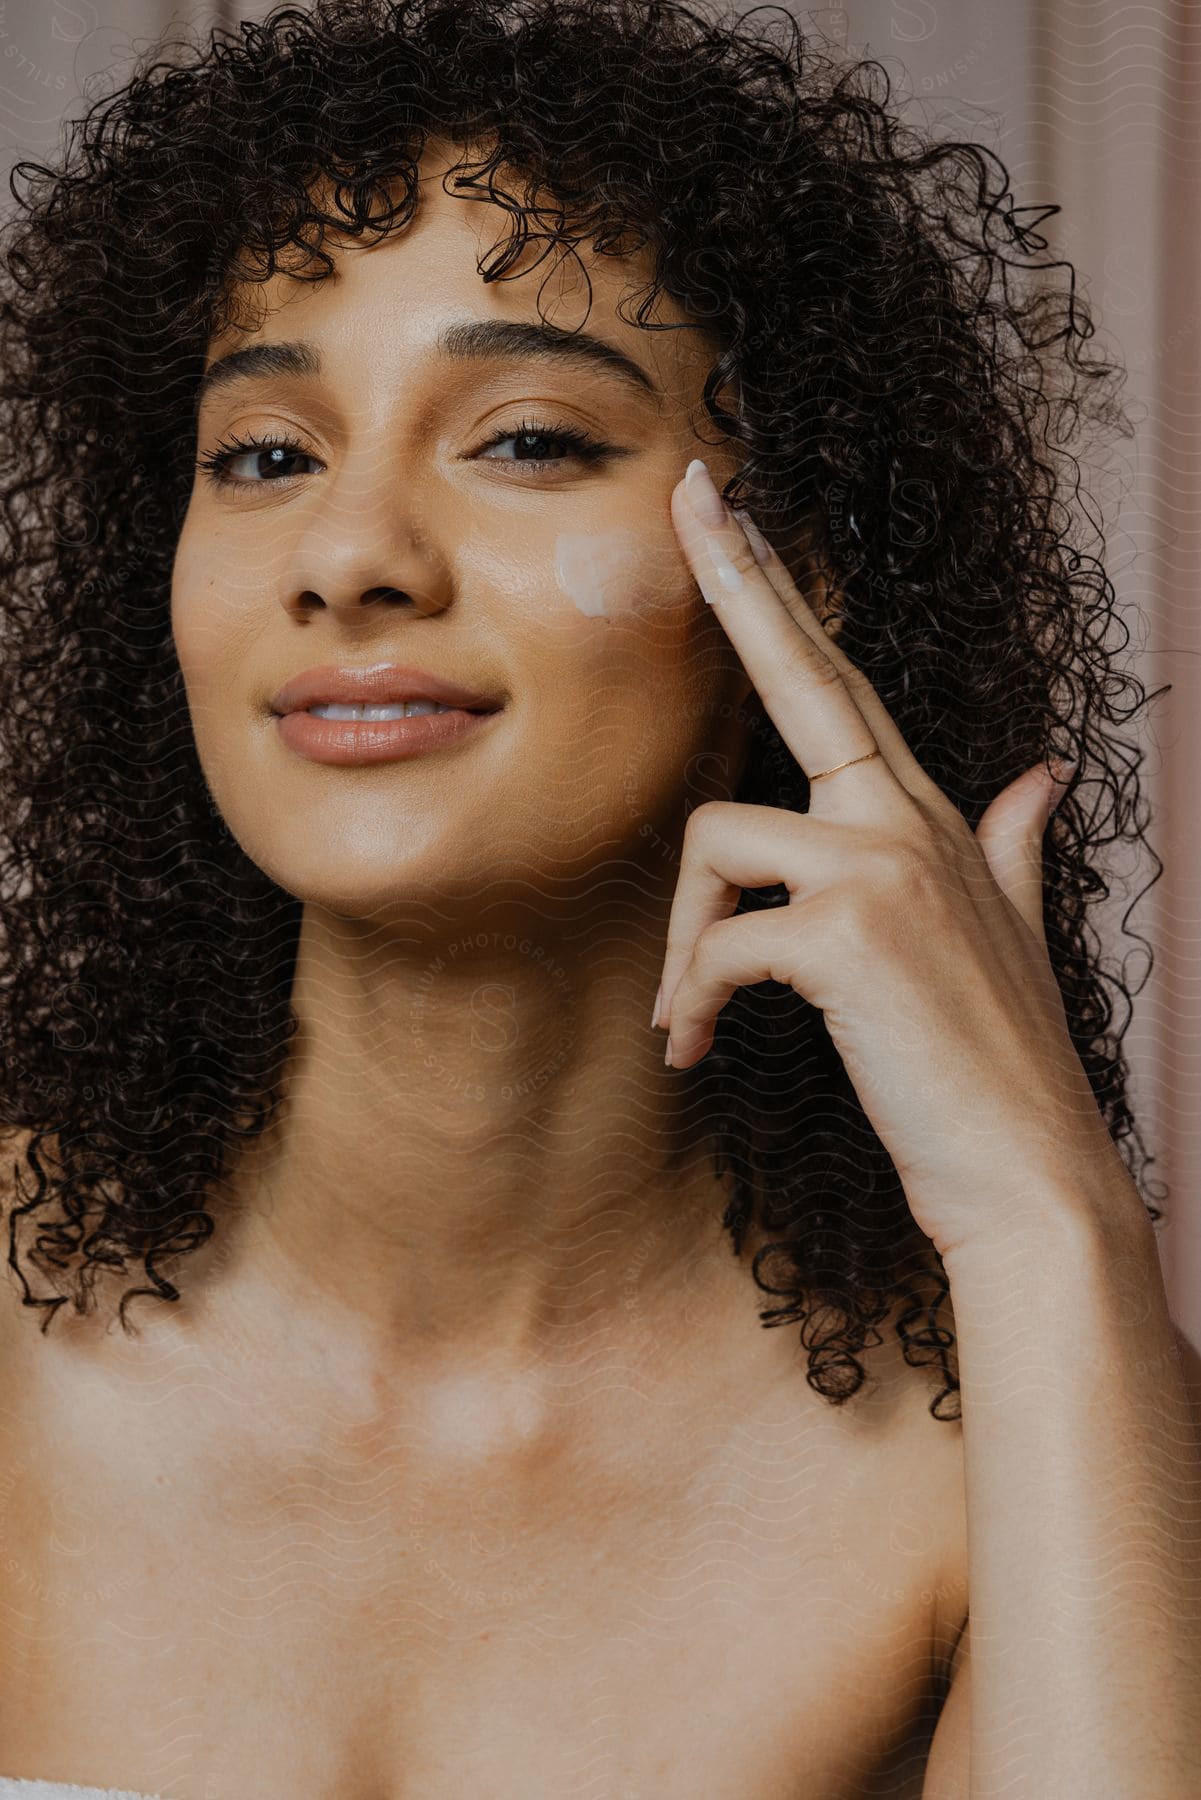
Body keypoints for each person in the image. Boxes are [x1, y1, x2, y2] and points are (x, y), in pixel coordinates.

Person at [0, 1, 1196, 1796]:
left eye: (530, 439)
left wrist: (1048, 1222)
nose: (348, 559)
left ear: (804, 568)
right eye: (265, 454)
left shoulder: (1024, 1428)